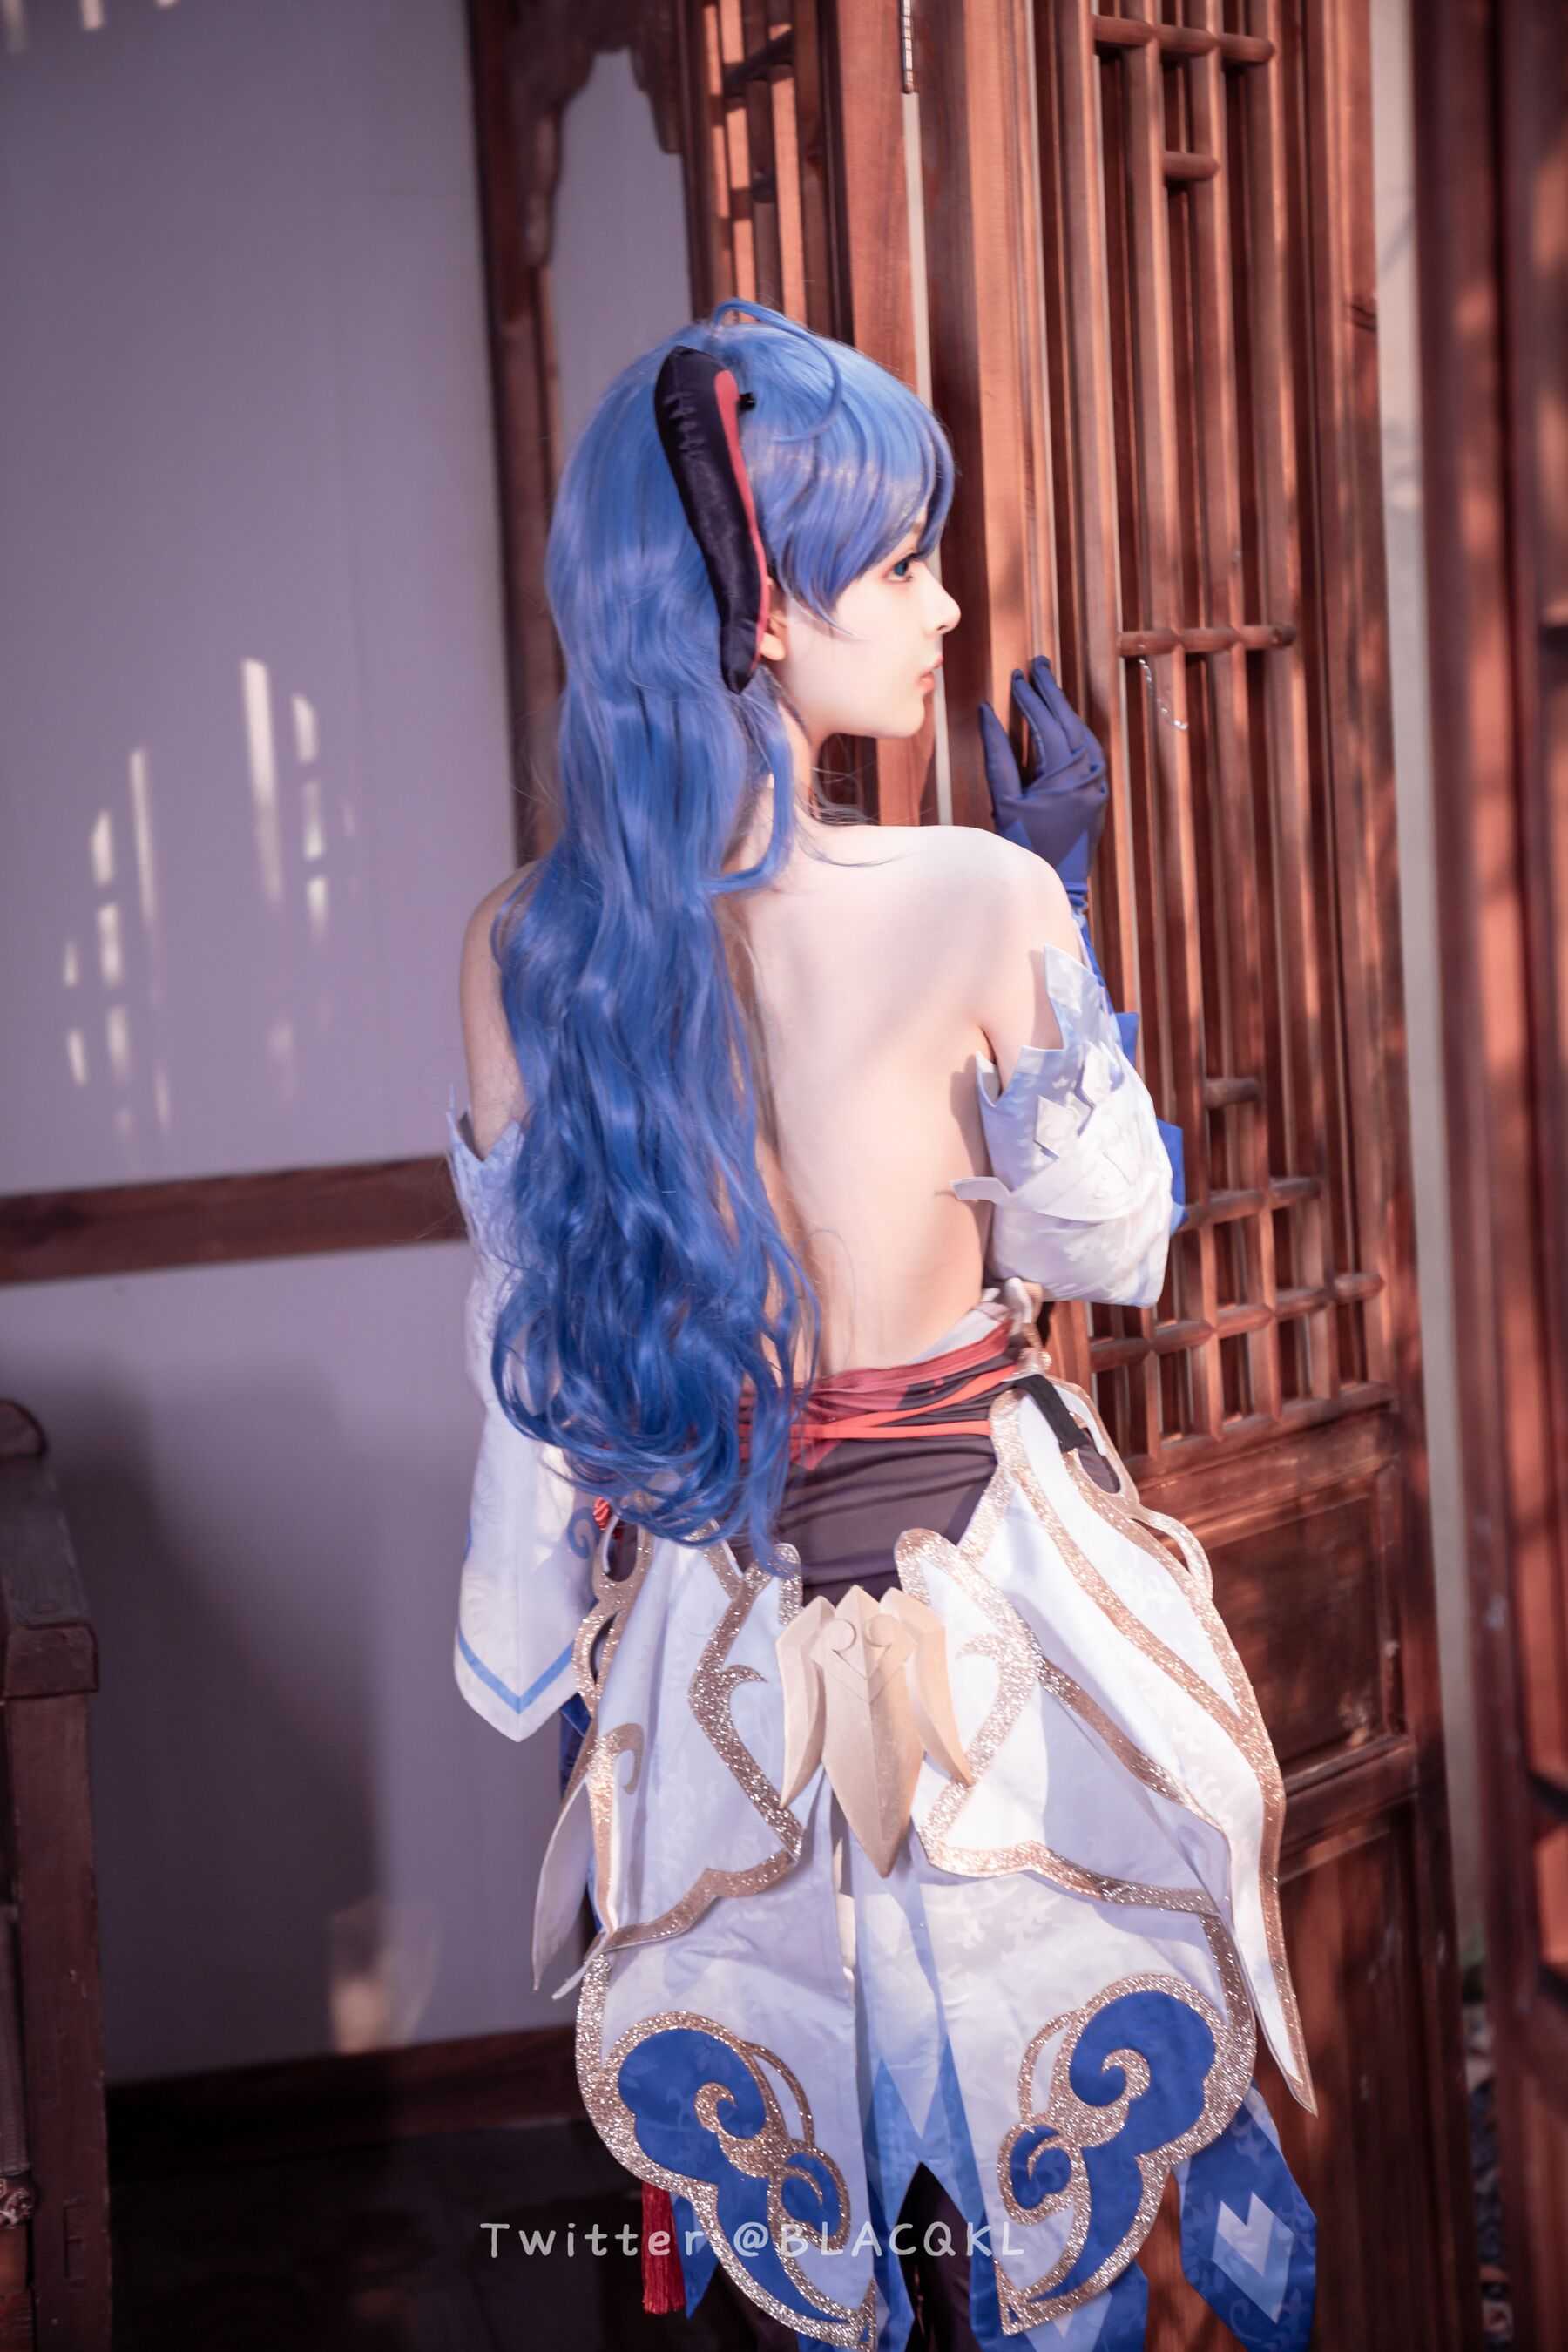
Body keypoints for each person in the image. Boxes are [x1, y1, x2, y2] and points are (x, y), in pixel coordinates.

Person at [448, 301, 1317, 2352]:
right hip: (995, 1619)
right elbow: (1111, 1244)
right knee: (1052, 2204)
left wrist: (540, 1665)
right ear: (765, 612)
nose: (943, 611)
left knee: (834, 2221)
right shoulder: (974, 895)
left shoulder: (525, 946)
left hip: (720, 1659)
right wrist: (1059, 918)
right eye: (904, 562)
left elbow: (530, 1384)